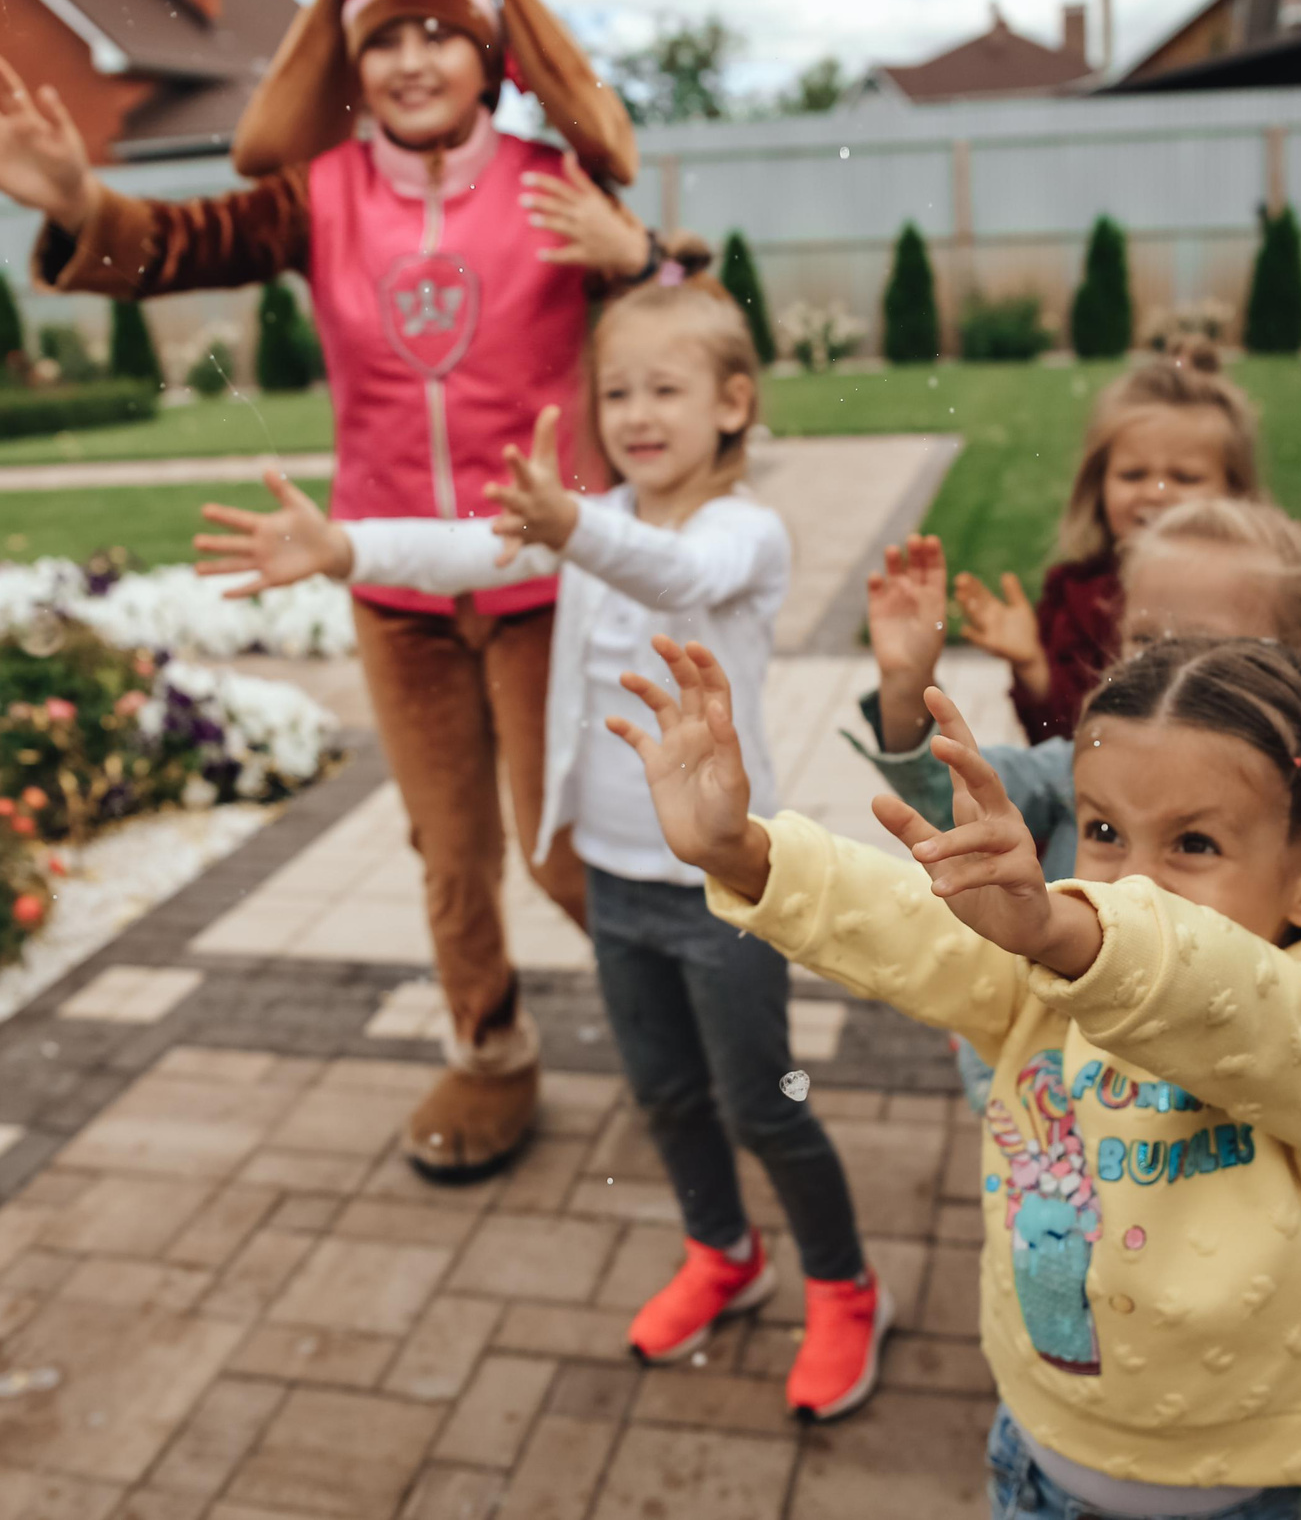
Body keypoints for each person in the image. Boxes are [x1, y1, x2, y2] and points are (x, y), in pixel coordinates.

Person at [0, 0, 658, 1181]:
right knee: (449, 854)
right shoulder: (318, 197)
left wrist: (644, 259)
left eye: (443, 34)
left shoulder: (557, 188)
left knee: (566, 857)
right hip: (387, 579)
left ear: (489, 56)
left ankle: (684, 1034)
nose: (414, 61)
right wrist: (78, 201)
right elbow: (175, 246)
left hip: (548, 580)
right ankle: (490, 1054)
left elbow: (688, 333)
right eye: (386, 41)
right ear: (349, 63)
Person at [191, 269, 890, 1421]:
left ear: (733, 402)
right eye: (615, 390)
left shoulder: (743, 533)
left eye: (664, 388)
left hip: (723, 886)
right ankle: (723, 1253)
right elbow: (469, 554)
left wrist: (574, 528)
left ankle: (842, 1284)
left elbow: (680, 576)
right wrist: (344, 547)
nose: (634, 414)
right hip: (615, 880)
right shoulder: (593, 521)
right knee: (664, 1093)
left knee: (764, 1102)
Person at [612, 635, 1301, 1516]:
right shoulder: (1048, 981)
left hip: (1240, 1494)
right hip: (1035, 1457)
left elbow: (1233, 1001)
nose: (1132, 881)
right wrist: (745, 852)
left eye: (1194, 843)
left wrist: (1072, 933)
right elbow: (908, 923)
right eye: (1100, 831)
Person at [856, 500, 1301, 1108]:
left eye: (1203, 646)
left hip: (1216, 1134)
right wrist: (907, 692)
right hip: (1056, 1120)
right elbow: (952, 798)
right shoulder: (1083, 765)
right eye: (1143, 638)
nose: (1165, 666)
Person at [954, 343, 1263, 744]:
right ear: (1097, 485)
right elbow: (1057, 740)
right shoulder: (1073, 596)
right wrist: (1034, 667)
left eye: (1185, 477)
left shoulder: (1251, 594)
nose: (1156, 493)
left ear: (1234, 492)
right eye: (1133, 474)